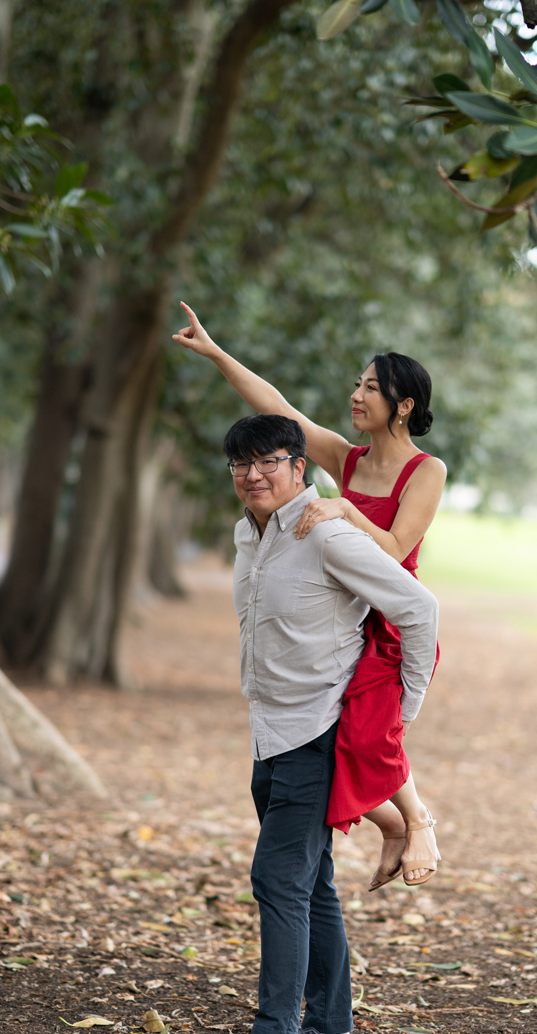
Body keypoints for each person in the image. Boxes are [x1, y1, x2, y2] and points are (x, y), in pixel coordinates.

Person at [198, 413, 438, 1034]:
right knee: (312, 882)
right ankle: (328, 1030)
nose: (253, 475)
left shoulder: (326, 533)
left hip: (317, 735)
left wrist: (401, 713)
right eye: (241, 465)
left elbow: (419, 609)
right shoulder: (252, 533)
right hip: (269, 735)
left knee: (277, 879)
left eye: (269, 461)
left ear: (300, 468)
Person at [173, 303, 446, 889]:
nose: (357, 395)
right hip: (333, 603)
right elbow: (280, 410)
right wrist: (218, 353)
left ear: (403, 406)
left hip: (386, 615)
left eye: (371, 387)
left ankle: (416, 820)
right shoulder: (348, 457)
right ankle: (394, 825)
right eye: (357, 383)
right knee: (331, 743)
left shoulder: (427, 470)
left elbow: (396, 551)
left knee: (368, 735)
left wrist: (344, 508)